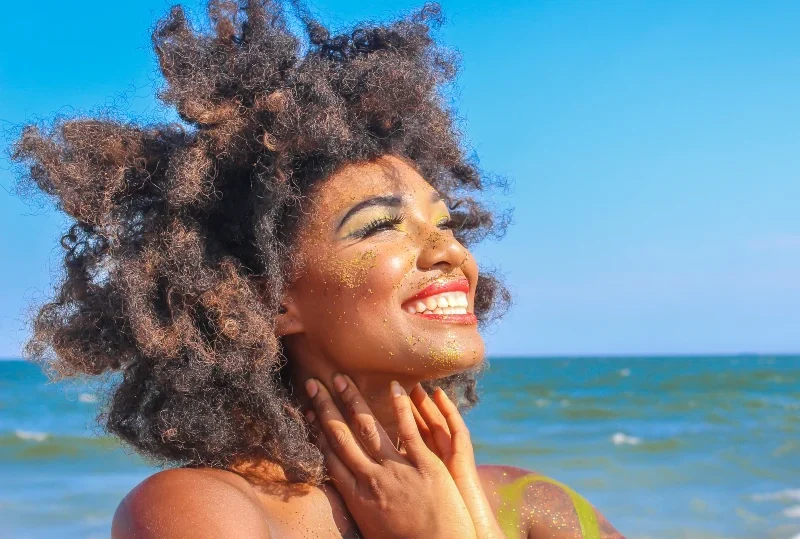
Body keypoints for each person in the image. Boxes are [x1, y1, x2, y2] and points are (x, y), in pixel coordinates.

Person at [11, 1, 625, 537]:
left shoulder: (532, 505)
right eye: (381, 225)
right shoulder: (206, 511)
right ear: (265, 297)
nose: (450, 253)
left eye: (446, 224)